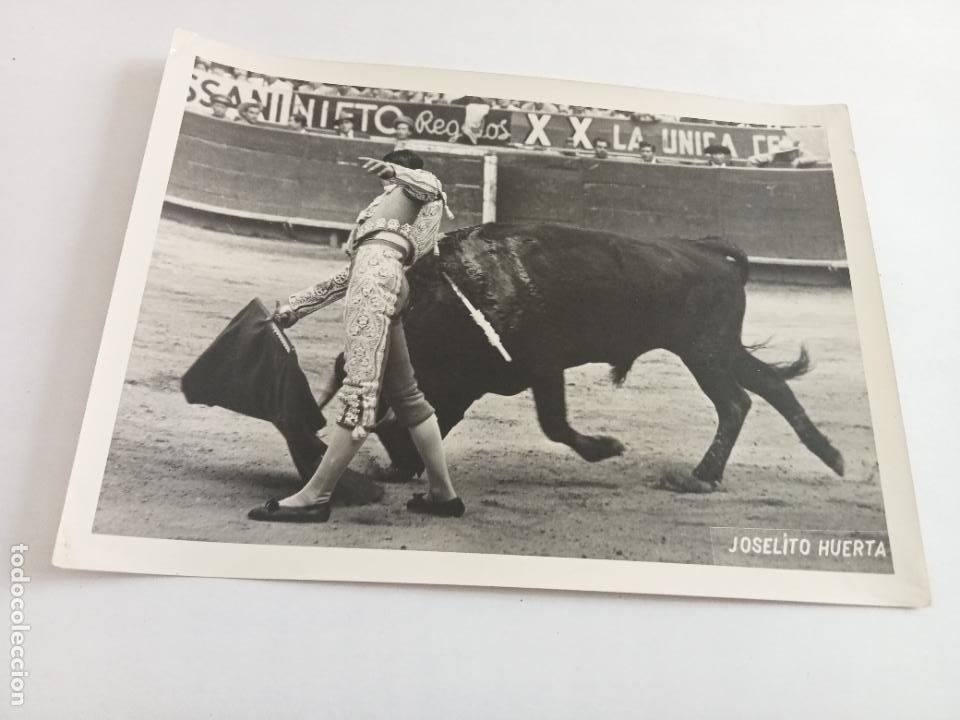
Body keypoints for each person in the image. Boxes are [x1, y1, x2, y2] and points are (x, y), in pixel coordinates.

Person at [248, 149, 464, 523]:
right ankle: (444, 495)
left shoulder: (418, 191)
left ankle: (315, 496)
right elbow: (352, 274)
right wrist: (297, 307)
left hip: (376, 285)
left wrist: (397, 171)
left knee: (360, 395)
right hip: (381, 280)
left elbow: (432, 185)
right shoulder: (393, 212)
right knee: (409, 398)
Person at [749, 138, 818, 168]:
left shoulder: (801, 153)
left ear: (795, 151)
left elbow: (814, 158)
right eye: (785, 153)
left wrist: (800, 161)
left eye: (790, 152)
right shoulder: (776, 155)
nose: (787, 155)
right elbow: (752, 159)